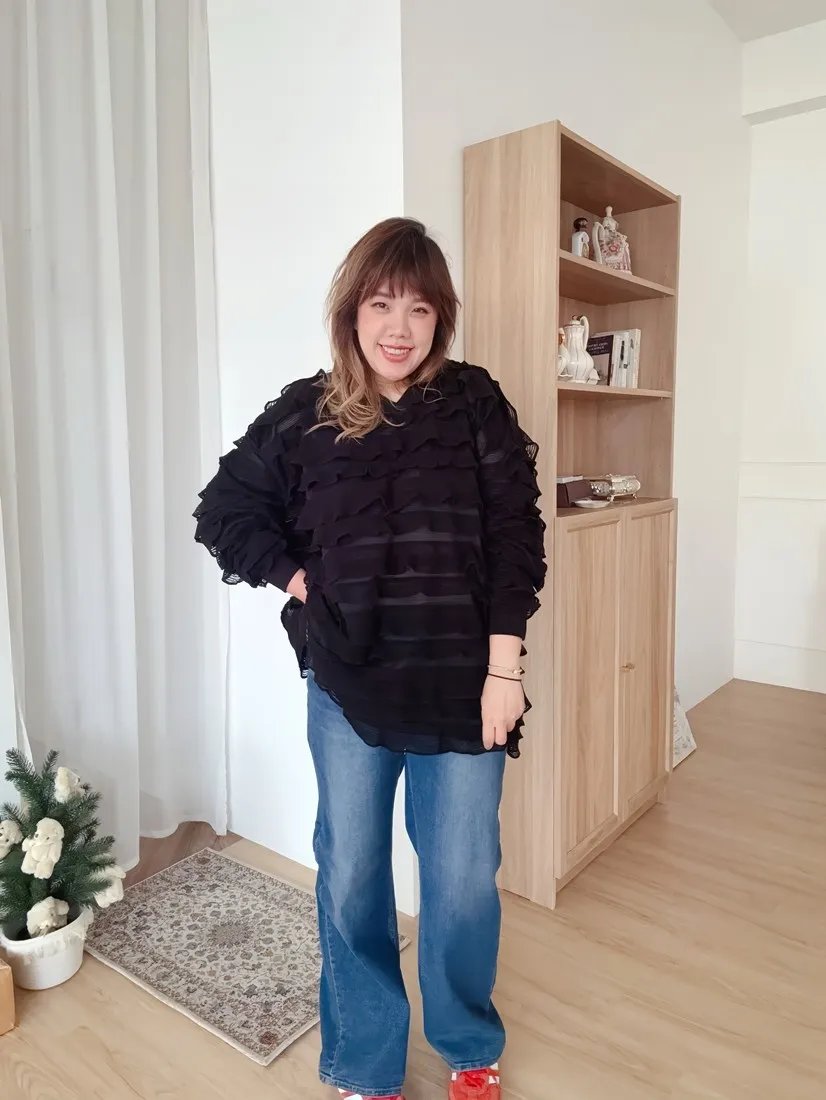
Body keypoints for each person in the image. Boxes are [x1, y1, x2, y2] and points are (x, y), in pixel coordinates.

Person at [194, 218, 546, 1100]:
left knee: (462, 881)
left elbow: (516, 535)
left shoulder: (472, 402)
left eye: (420, 309)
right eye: (383, 304)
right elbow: (224, 510)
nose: (400, 326)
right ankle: (366, 1062)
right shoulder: (305, 413)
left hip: (465, 686)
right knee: (352, 873)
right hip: (348, 686)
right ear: (351, 311)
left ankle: (468, 1043)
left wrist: (506, 671)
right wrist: (301, 580)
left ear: (440, 320)